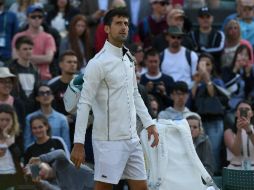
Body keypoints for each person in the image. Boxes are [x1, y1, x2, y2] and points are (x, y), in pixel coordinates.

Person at [70, 8, 159, 190]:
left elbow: (135, 93)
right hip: (107, 142)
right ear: (107, 29)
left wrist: (149, 124)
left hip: (132, 138)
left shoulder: (128, 58)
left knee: (142, 188)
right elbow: (84, 103)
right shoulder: (97, 63)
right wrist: (78, 142)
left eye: (126, 23)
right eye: (118, 23)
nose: (123, 27)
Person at [12, 4, 56, 81]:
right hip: (21, 76)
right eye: (33, 16)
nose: (36, 19)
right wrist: (41, 58)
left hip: (43, 77)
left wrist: (24, 57)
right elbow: (15, 57)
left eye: (40, 16)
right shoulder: (18, 36)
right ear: (27, 18)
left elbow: (49, 58)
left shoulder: (48, 37)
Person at [24, 84, 71, 151]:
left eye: (48, 92)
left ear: (52, 96)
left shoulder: (62, 119)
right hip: (36, 156)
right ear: (37, 98)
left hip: (56, 156)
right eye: (42, 93)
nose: (45, 95)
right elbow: (27, 142)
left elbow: (66, 144)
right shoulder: (30, 118)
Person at [28, 149, 94, 190]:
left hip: (96, 182)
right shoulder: (53, 184)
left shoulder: (60, 164)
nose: (41, 173)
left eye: (40, 168)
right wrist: (39, 182)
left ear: (46, 164)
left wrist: (40, 158)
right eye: (39, 175)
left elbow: (60, 152)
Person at [9, 35, 39, 115]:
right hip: (15, 110)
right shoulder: (10, 70)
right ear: (18, 51)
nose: (28, 51)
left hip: (33, 110)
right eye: (25, 49)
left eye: (30, 49)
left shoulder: (35, 70)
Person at [0, 104, 25, 189]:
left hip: (12, 175)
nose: (4, 123)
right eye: (1, 120)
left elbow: (19, 156)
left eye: (7, 120)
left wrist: (8, 139)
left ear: (13, 120)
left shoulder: (17, 134)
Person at [224, 100, 254, 170]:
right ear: (236, 113)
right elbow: (236, 152)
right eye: (241, 109)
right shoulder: (229, 132)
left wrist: (249, 130)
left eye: (247, 109)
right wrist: (239, 131)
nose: (244, 111)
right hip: (235, 169)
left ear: (252, 113)